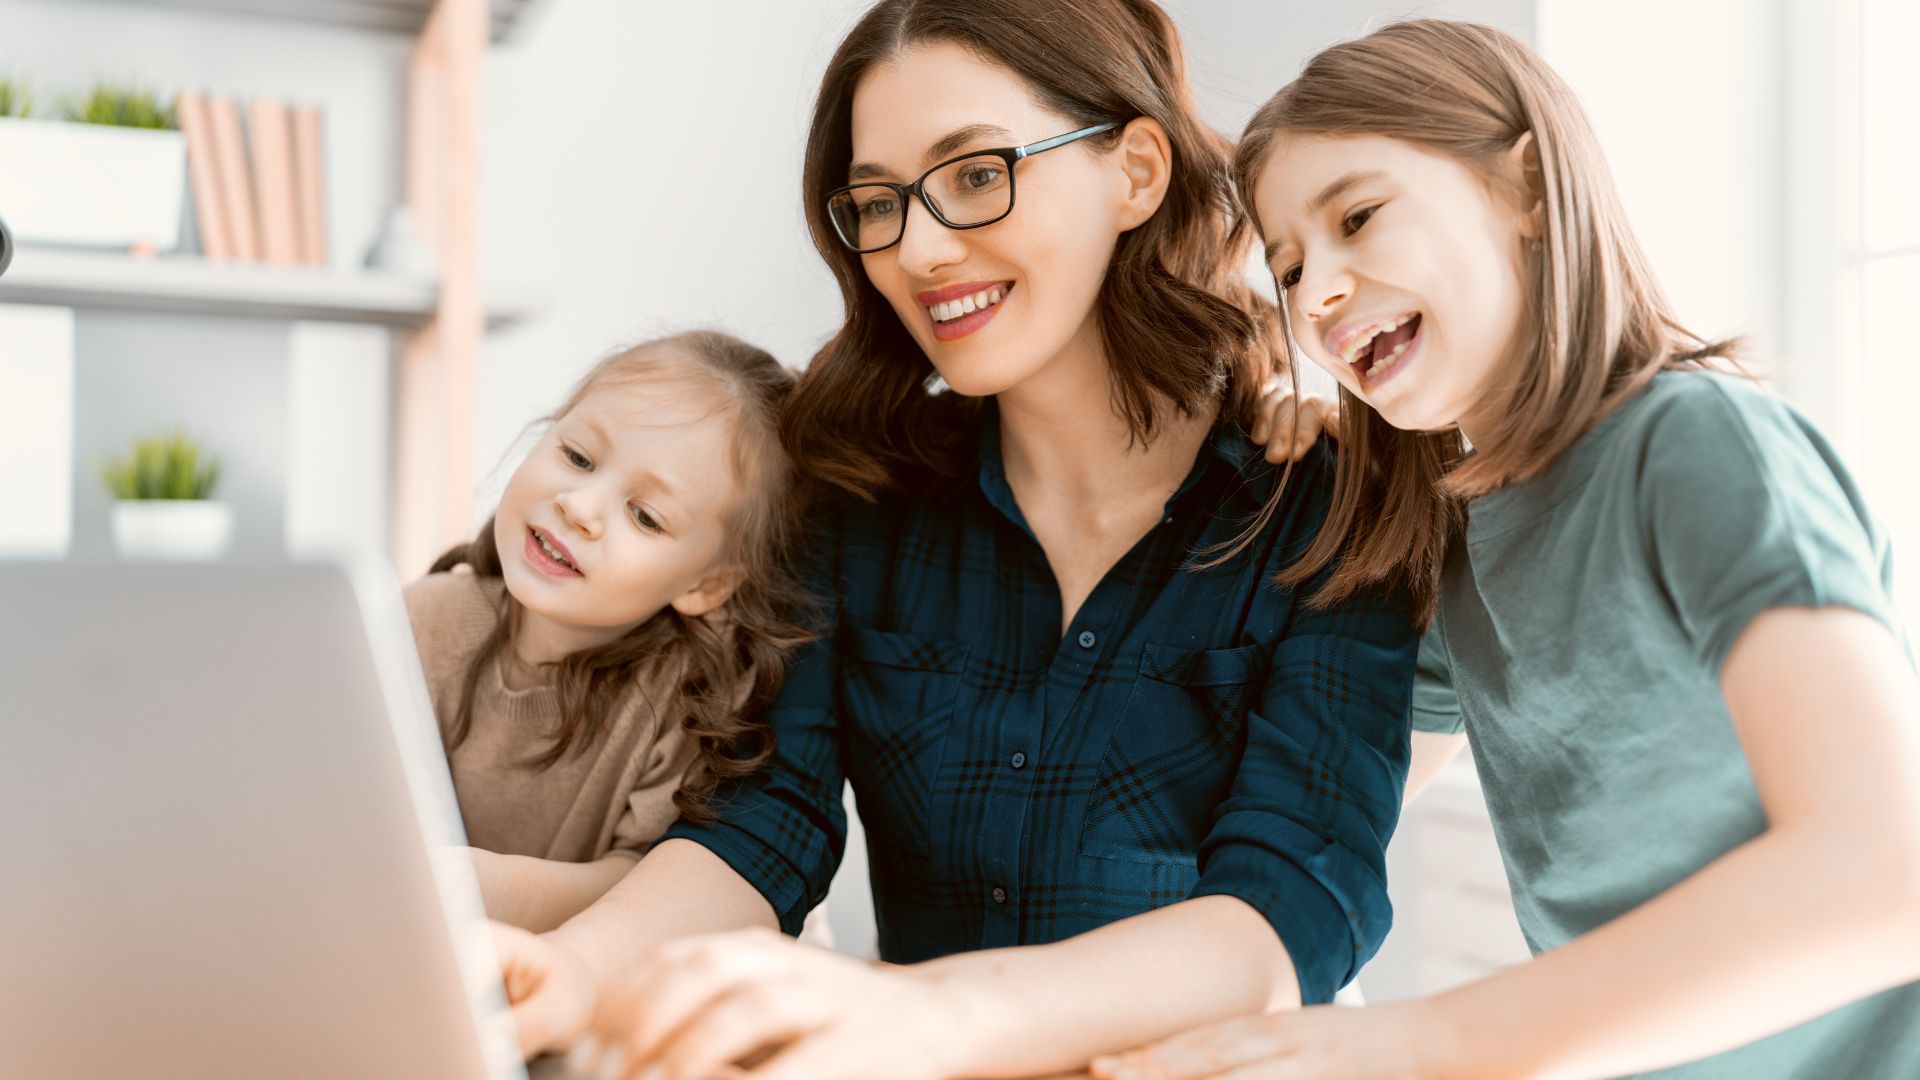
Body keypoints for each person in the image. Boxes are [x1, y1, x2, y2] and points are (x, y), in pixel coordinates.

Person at [493, 3, 1398, 1079]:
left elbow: (1289, 912)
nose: (917, 249)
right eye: (878, 203)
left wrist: (928, 1020)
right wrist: (578, 972)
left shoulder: (1322, 506)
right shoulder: (862, 496)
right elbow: (766, 827)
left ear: (1136, 171)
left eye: (976, 174)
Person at [1096, 19, 1920, 1080]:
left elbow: (1890, 870)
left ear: (1526, 189)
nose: (1320, 294)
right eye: (1289, 269)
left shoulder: (1697, 447)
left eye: (1359, 216)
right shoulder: (1452, 538)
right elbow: (1333, 799)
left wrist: (1419, 1044)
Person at [405, 330, 809, 933]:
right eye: (576, 457)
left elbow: (647, 887)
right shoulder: (421, 622)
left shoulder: (687, 701)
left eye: (644, 515)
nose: (579, 506)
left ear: (706, 585)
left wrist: (477, 889)